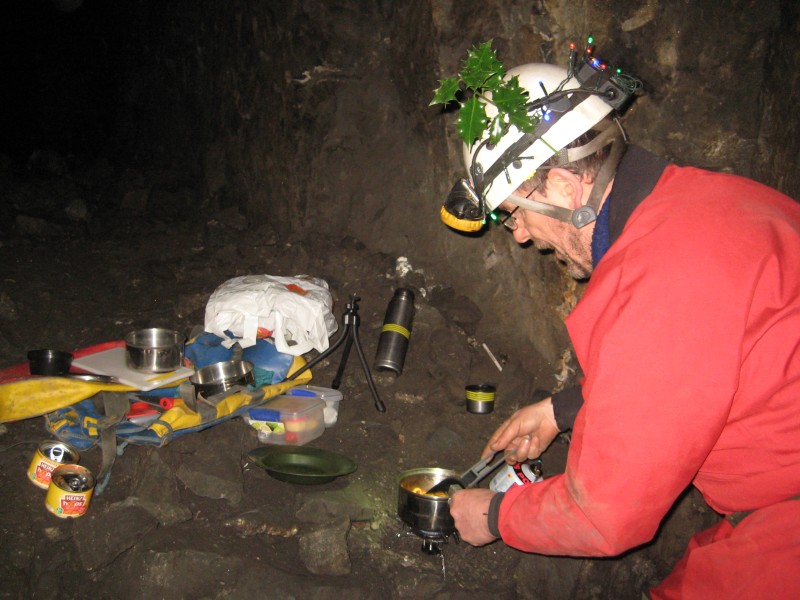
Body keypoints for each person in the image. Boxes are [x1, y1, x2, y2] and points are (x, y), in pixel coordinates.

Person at [439, 48, 800, 599]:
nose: (520, 235)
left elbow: (603, 515)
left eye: (512, 214)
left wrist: (493, 515)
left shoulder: (659, 280)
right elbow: (694, 368)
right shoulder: (702, 199)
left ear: (563, 188)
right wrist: (562, 409)